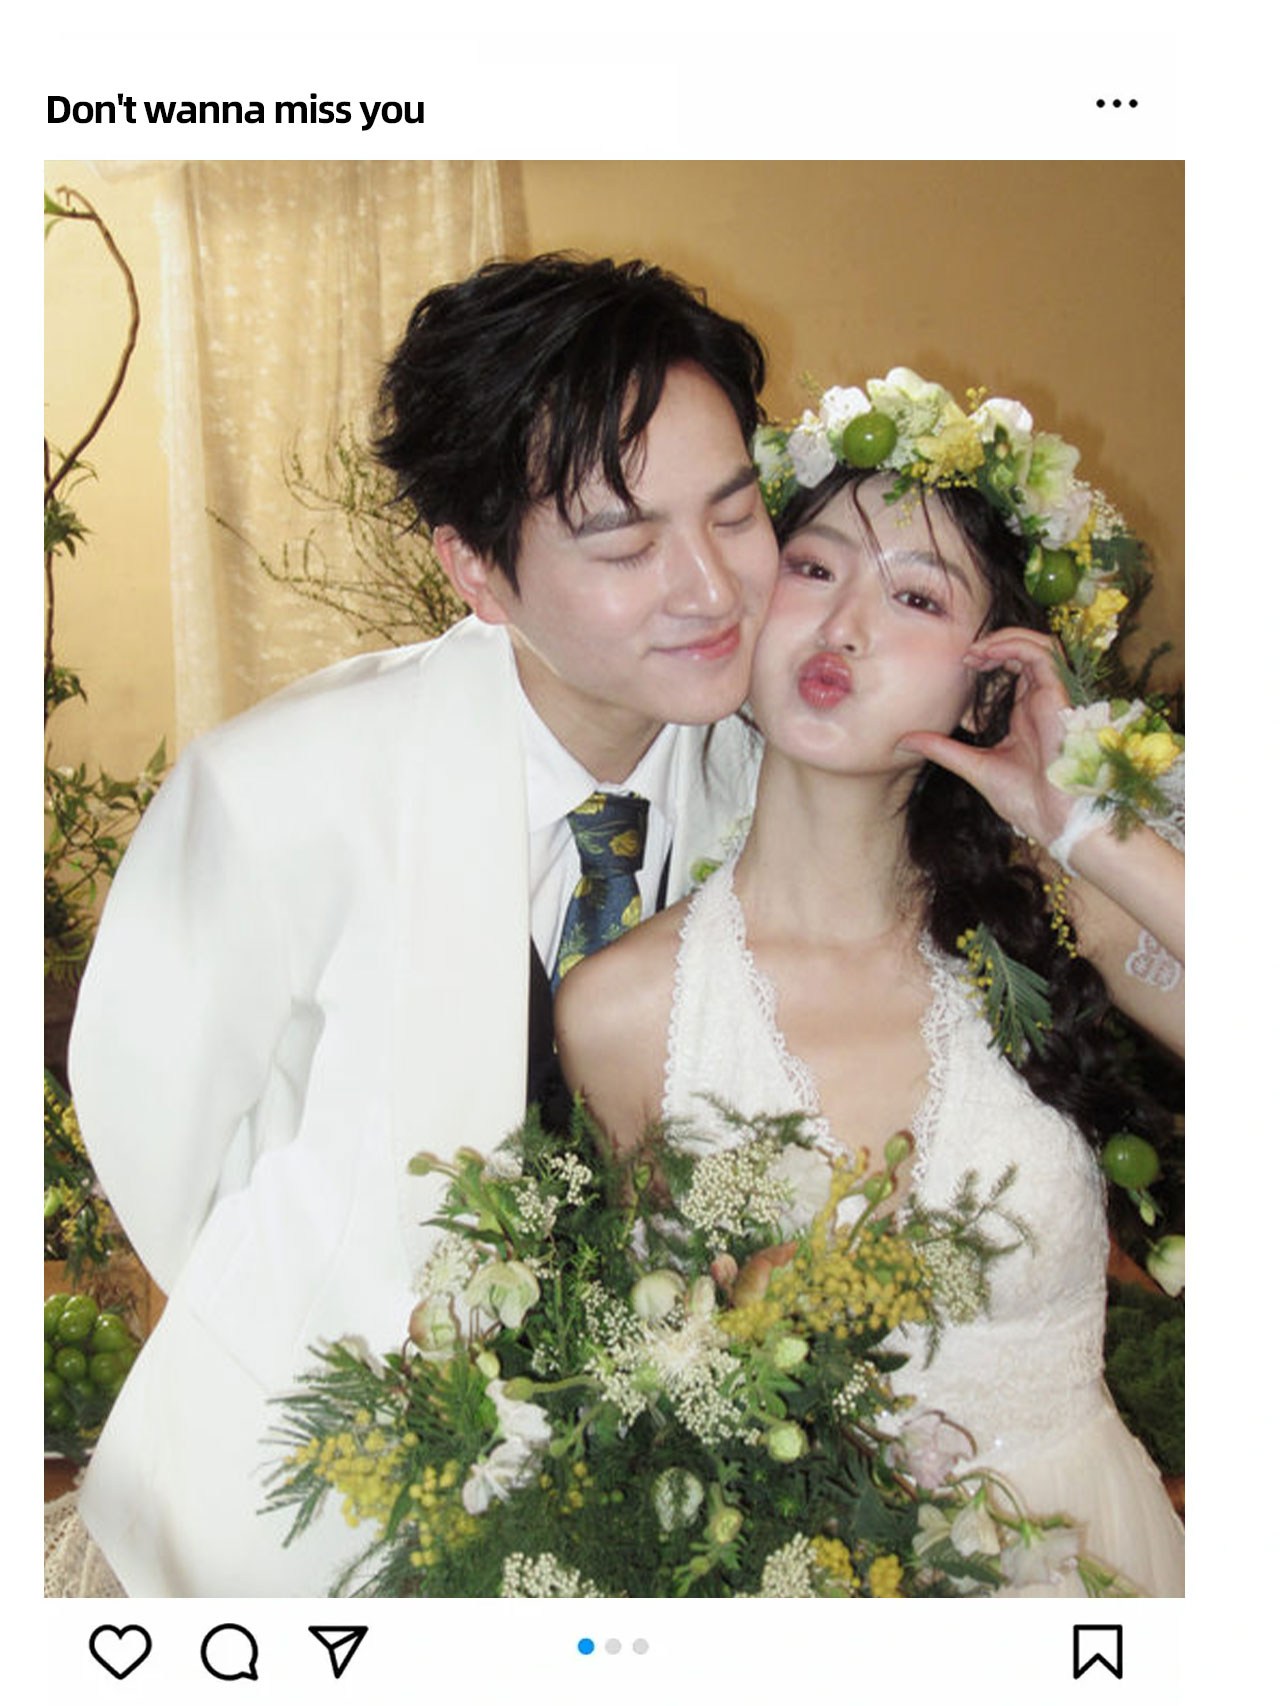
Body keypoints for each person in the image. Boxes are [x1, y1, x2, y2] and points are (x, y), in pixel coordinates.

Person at [65, 254, 779, 1596]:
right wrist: (313, 1297)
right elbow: (155, 1133)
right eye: (625, 543)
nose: (709, 585)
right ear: (475, 569)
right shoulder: (279, 790)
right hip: (293, 1511)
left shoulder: (775, 786)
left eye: (735, 512)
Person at [555, 371, 1185, 1595]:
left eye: (914, 595)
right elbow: (657, 1383)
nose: (843, 626)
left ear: (989, 679)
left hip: (1095, 1564)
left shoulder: (1069, 921)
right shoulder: (624, 1010)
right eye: (812, 567)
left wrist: (1084, 827)